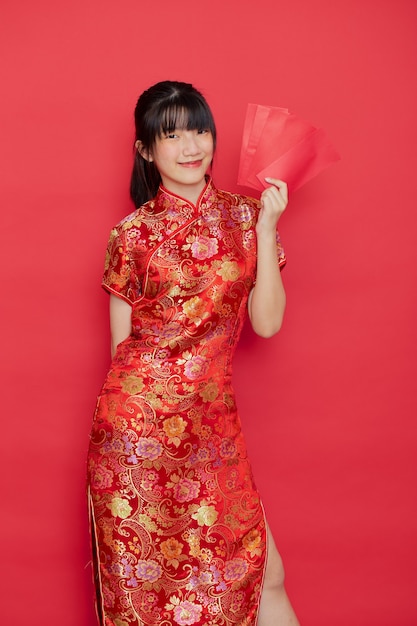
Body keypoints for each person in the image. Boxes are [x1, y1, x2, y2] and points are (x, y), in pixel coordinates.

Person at [87, 80, 299, 626]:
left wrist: (269, 224)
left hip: (211, 426)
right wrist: (136, 426)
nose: (190, 147)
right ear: (145, 149)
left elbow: (267, 324)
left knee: (261, 573)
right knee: (151, 593)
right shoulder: (130, 234)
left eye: (199, 130)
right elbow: (120, 351)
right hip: (137, 434)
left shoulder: (247, 218)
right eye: (172, 134)